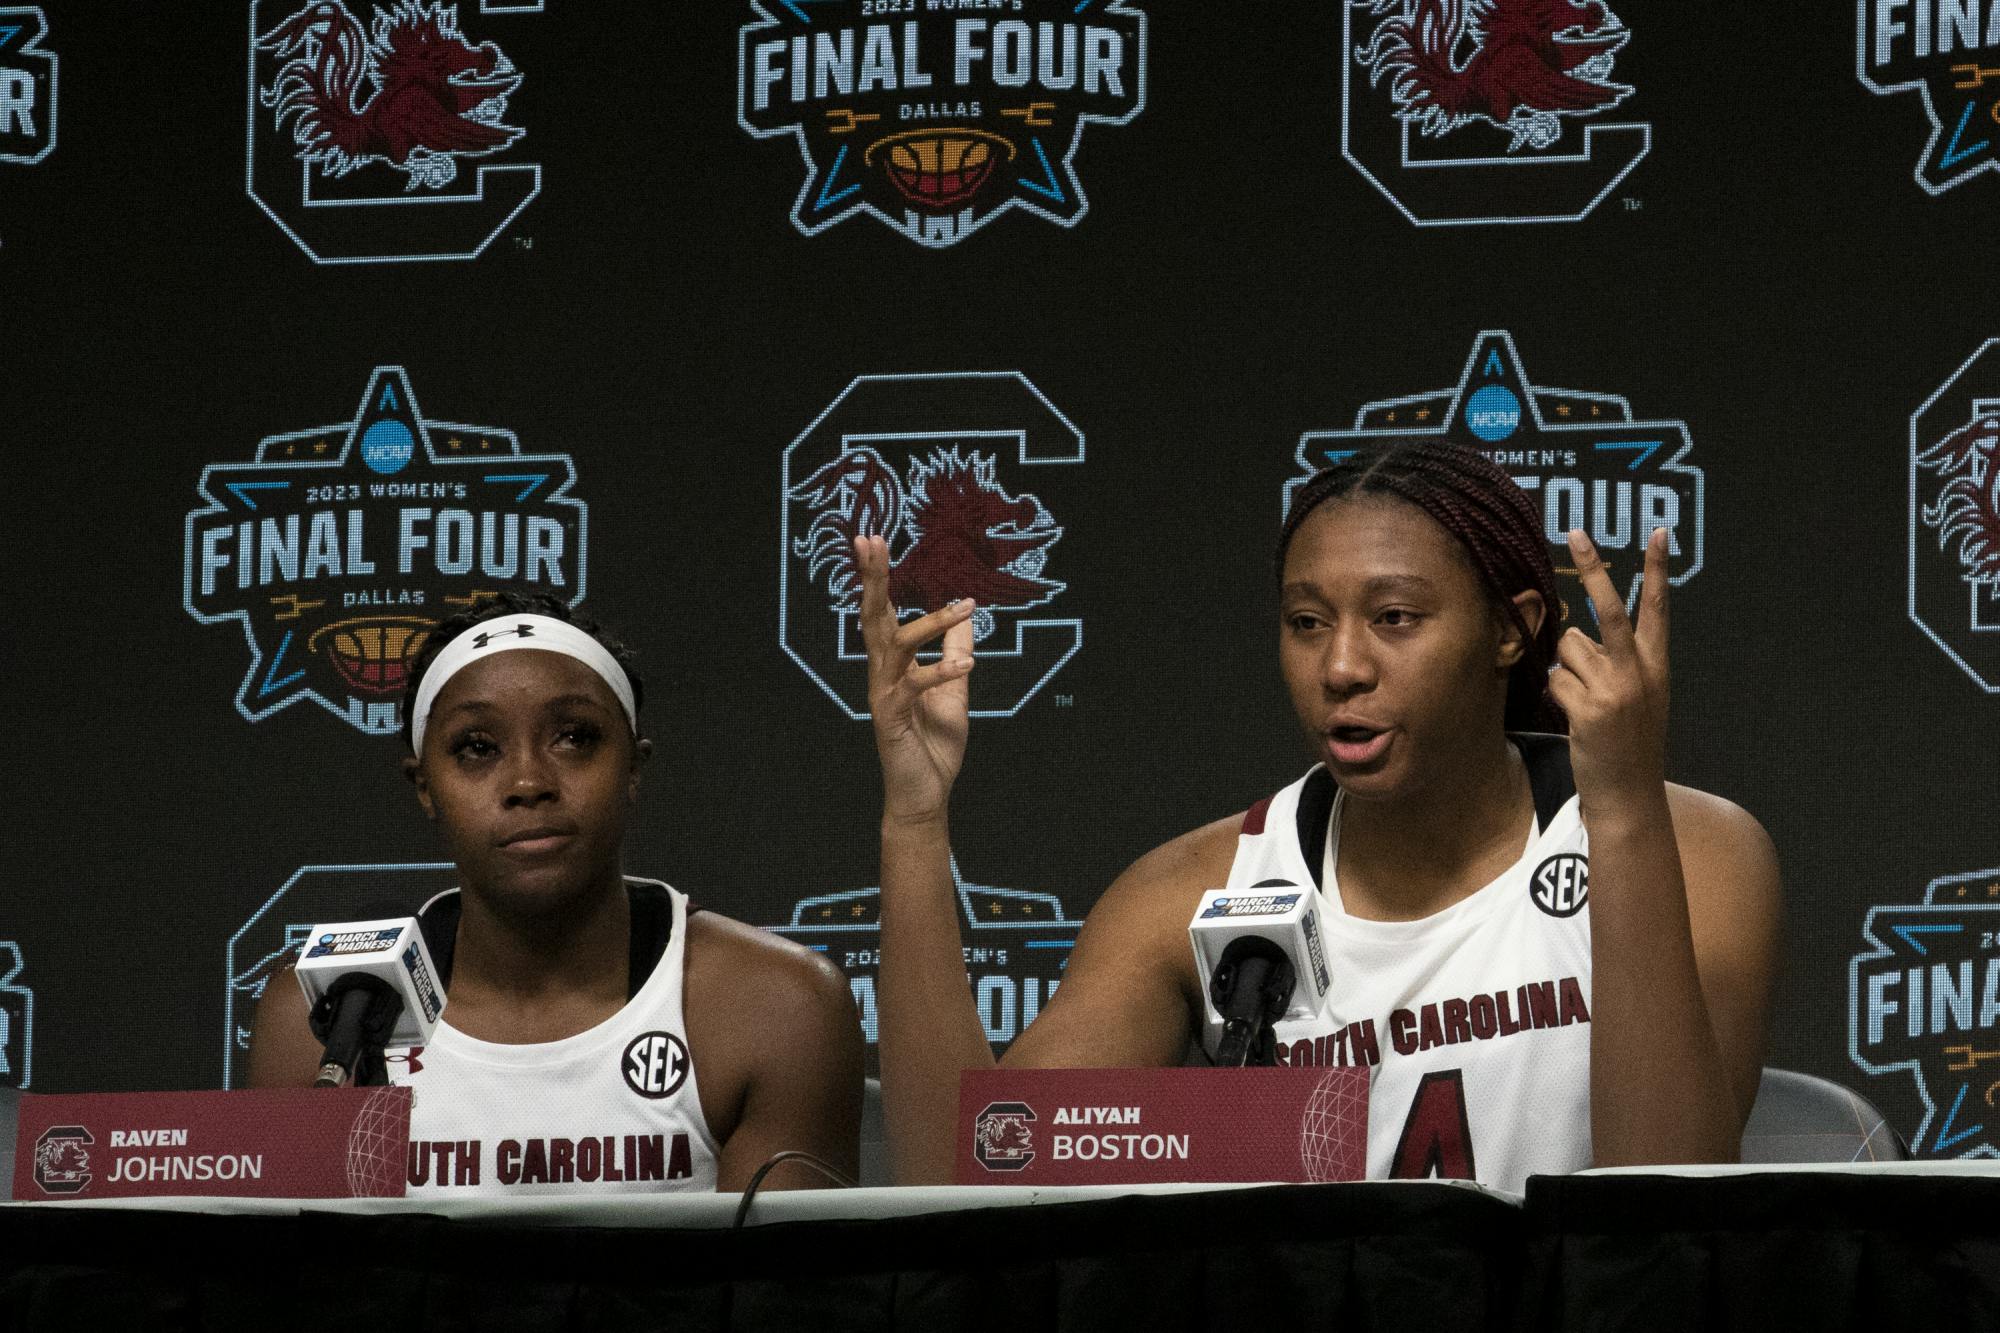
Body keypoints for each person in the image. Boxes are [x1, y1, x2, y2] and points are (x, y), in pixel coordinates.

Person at [863, 440, 1781, 1191]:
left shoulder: (1697, 849)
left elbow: (1669, 1212)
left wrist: (1619, 808)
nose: (1341, 666)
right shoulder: (1194, 891)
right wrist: (914, 818)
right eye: (1307, 622)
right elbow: (978, 1167)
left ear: (1513, 628)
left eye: (1394, 617)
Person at [247, 593, 863, 1195]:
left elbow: (775, 1297)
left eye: (573, 737)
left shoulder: (775, 1008)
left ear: (633, 768)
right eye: (477, 748)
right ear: (424, 785)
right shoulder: (322, 1023)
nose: (528, 782)